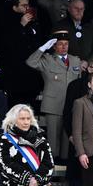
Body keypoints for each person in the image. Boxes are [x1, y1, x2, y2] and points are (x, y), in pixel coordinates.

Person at [26, 31, 81, 161]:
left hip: (71, 106)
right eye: (60, 44)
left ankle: (64, 165)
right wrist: (42, 49)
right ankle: (51, 166)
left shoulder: (75, 60)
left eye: (66, 44)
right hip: (53, 105)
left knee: (67, 137)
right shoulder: (47, 59)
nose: (63, 47)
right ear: (54, 46)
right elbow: (30, 62)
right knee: (53, 139)